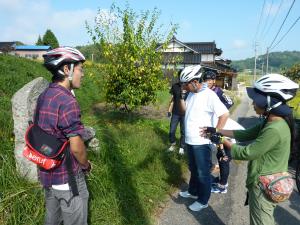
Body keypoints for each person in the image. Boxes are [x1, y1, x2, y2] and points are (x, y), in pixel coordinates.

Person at [203, 74, 298, 225]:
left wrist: (221, 141)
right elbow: (245, 133)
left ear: (269, 102)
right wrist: (217, 130)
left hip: (263, 186)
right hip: (270, 182)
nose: (253, 103)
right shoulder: (272, 121)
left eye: (256, 100)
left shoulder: (274, 128)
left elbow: (247, 152)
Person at [38, 47, 91, 225]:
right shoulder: (68, 101)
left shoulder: (44, 95)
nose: (82, 74)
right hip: (68, 179)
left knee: (52, 221)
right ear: (67, 69)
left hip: (47, 173)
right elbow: (76, 148)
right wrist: (86, 165)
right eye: (80, 69)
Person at [177, 65, 229, 212]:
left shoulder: (209, 95)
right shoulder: (191, 94)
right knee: (193, 169)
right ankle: (193, 192)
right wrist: (181, 96)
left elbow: (224, 114)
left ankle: (203, 200)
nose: (184, 86)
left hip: (202, 142)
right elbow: (183, 111)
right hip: (190, 140)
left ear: (194, 81)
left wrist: (216, 132)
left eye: (186, 84)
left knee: (203, 172)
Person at [203, 70, 233, 193]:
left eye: (210, 80)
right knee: (216, 151)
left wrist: (219, 111)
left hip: (221, 124)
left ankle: (222, 185)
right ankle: (219, 178)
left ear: (214, 80)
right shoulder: (204, 92)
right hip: (211, 125)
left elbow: (230, 102)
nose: (207, 82)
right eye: (205, 80)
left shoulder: (218, 91)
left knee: (223, 154)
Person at [167, 71, 187, 154]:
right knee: (172, 130)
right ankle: (173, 144)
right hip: (175, 113)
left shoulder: (188, 87)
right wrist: (169, 110)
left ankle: (182, 147)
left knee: (183, 131)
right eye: (180, 76)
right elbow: (172, 100)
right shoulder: (175, 86)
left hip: (185, 114)